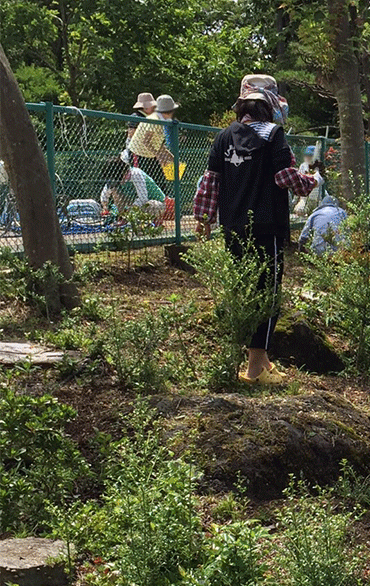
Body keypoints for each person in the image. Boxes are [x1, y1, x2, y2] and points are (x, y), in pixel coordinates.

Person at [193, 74, 317, 386]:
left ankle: (260, 360)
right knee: (267, 293)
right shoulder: (273, 135)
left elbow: (210, 182)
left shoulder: (223, 137)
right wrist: (310, 182)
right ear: (270, 107)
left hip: (233, 227)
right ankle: (254, 371)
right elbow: (284, 178)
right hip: (266, 227)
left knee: (243, 288)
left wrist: (204, 219)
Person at [99, 156, 167, 223]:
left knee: (151, 206)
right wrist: (105, 207)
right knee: (115, 190)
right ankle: (122, 217)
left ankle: (144, 223)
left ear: (124, 172)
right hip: (134, 205)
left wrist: (129, 210)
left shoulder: (135, 174)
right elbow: (105, 192)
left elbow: (143, 198)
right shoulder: (114, 179)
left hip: (154, 202)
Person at [128, 93, 177, 181]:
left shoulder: (161, 120)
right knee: (144, 181)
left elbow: (157, 142)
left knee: (159, 179)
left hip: (150, 153)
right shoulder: (146, 118)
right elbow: (143, 140)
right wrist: (158, 155)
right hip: (139, 153)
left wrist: (169, 156)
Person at [292, 145, 324, 216]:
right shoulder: (303, 166)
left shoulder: (320, 166)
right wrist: (295, 201)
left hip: (318, 198)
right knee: (299, 210)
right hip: (305, 198)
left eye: (310, 155)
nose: (307, 157)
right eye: (306, 155)